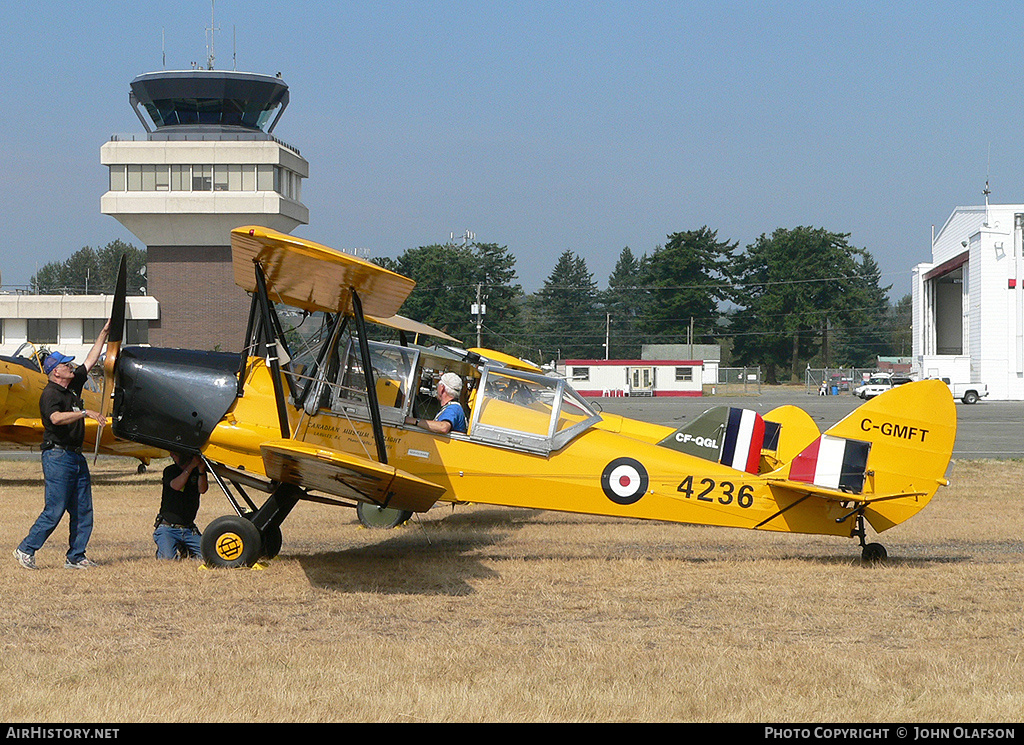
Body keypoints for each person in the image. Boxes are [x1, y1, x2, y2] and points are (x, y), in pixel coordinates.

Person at [13, 321, 109, 570]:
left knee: (83, 510)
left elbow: (90, 359)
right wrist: (84, 412)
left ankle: (76, 557)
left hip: (76, 457)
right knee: (55, 509)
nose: (71, 367)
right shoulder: (50, 394)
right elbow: (55, 419)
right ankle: (25, 549)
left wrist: (104, 333)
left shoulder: (73, 385)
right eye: (67, 365)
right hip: (57, 456)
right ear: (56, 371)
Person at [154, 451, 208, 560]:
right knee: (167, 559)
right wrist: (191, 466)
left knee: (207, 556)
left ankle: (185, 550)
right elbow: (176, 485)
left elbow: (202, 490)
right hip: (168, 528)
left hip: (188, 529)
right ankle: (169, 548)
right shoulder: (170, 471)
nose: (171, 455)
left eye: (175, 453)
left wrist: (201, 470)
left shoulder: (197, 472)